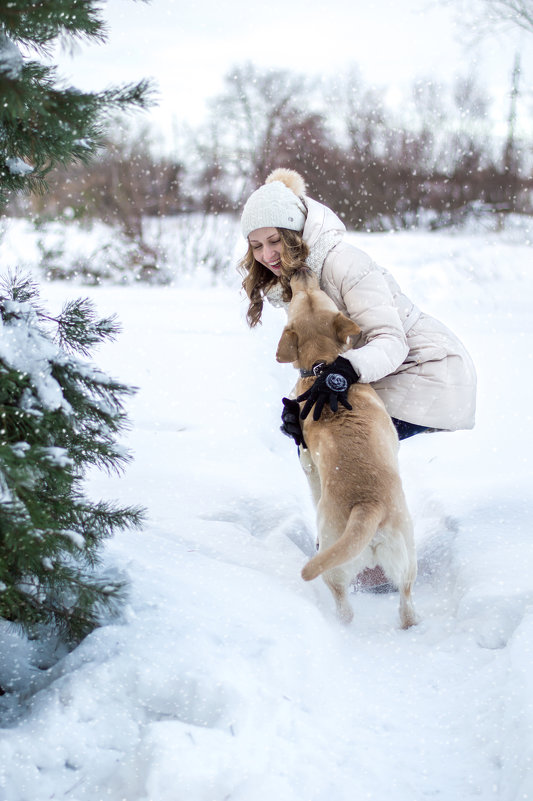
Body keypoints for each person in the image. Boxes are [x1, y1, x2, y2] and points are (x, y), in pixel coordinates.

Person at [239, 168, 477, 589]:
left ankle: (373, 555)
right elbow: (318, 360)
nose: (267, 254)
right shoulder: (293, 281)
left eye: (274, 240)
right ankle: (346, 542)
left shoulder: (345, 262)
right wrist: (302, 412)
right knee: (314, 438)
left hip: (426, 369)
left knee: (355, 447)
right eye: (256, 245)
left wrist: (346, 372)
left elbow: (390, 340)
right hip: (377, 376)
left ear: (295, 232)